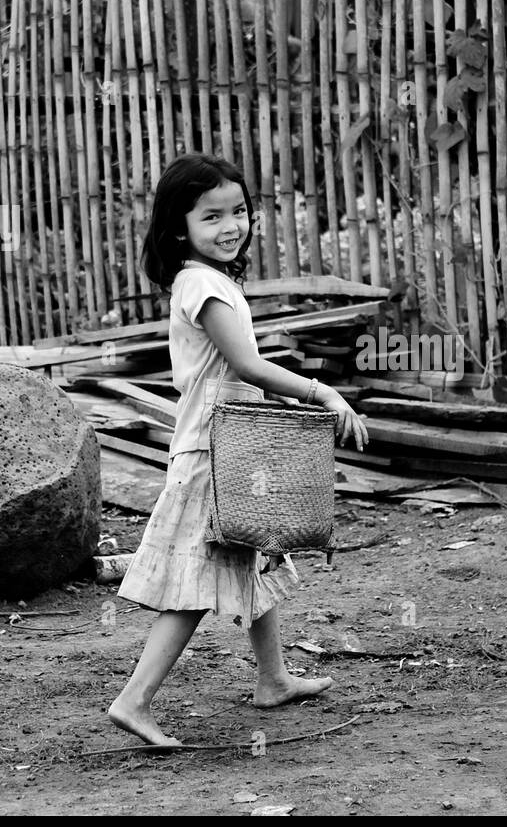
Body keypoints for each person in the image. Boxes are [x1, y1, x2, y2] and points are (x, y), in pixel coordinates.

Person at [107, 153, 369, 747]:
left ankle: (272, 679)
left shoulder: (211, 279)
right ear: (180, 228)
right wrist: (321, 392)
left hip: (226, 447)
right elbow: (247, 365)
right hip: (210, 454)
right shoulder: (201, 283)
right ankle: (133, 700)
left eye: (240, 211)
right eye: (212, 216)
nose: (231, 226)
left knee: (255, 553)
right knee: (196, 587)